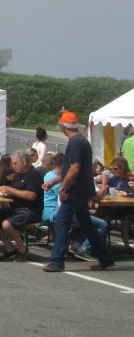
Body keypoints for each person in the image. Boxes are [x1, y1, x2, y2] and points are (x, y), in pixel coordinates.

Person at [44, 111, 115, 272]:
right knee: (87, 224)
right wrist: (56, 181)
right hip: (83, 189)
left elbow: (75, 168)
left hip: (75, 190)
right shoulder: (82, 141)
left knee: (61, 222)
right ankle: (105, 258)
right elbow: (74, 169)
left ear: (63, 127)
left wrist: (63, 187)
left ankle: (57, 261)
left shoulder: (75, 142)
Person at [0, 150, 44, 261]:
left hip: (30, 210)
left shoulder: (35, 175)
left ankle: (22, 248)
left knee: (6, 224)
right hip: (15, 208)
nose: (13, 166)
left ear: (24, 163)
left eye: (15, 163)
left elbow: (31, 196)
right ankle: (9, 246)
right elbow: (15, 191)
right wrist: (4, 194)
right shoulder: (17, 175)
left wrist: (10, 190)